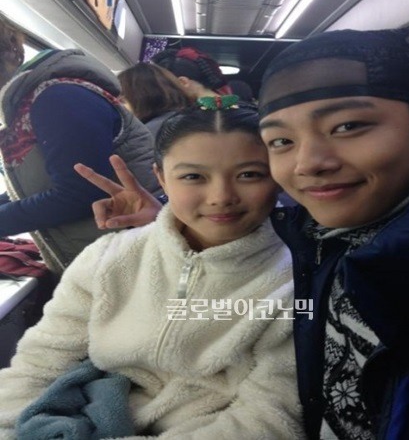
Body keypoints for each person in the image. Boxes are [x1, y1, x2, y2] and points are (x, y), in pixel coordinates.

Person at [76, 29, 409, 438]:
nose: (308, 163)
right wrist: (175, 226)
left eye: (347, 126)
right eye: (280, 141)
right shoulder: (321, 236)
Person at [0, 105, 304, 439]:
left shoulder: (301, 281)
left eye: (249, 175)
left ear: (277, 176)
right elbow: (40, 363)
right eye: (193, 177)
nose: (221, 197)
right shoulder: (108, 258)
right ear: (160, 177)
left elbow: (271, 415)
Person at [0, 14, 161, 274]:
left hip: (136, 262)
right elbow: (49, 183)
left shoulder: (58, 98)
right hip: (114, 259)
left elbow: (79, 192)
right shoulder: (31, 106)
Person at [118, 62, 195, 138]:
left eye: (122, 101)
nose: (118, 106)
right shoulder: (187, 120)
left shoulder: (148, 135)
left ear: (143, 97)